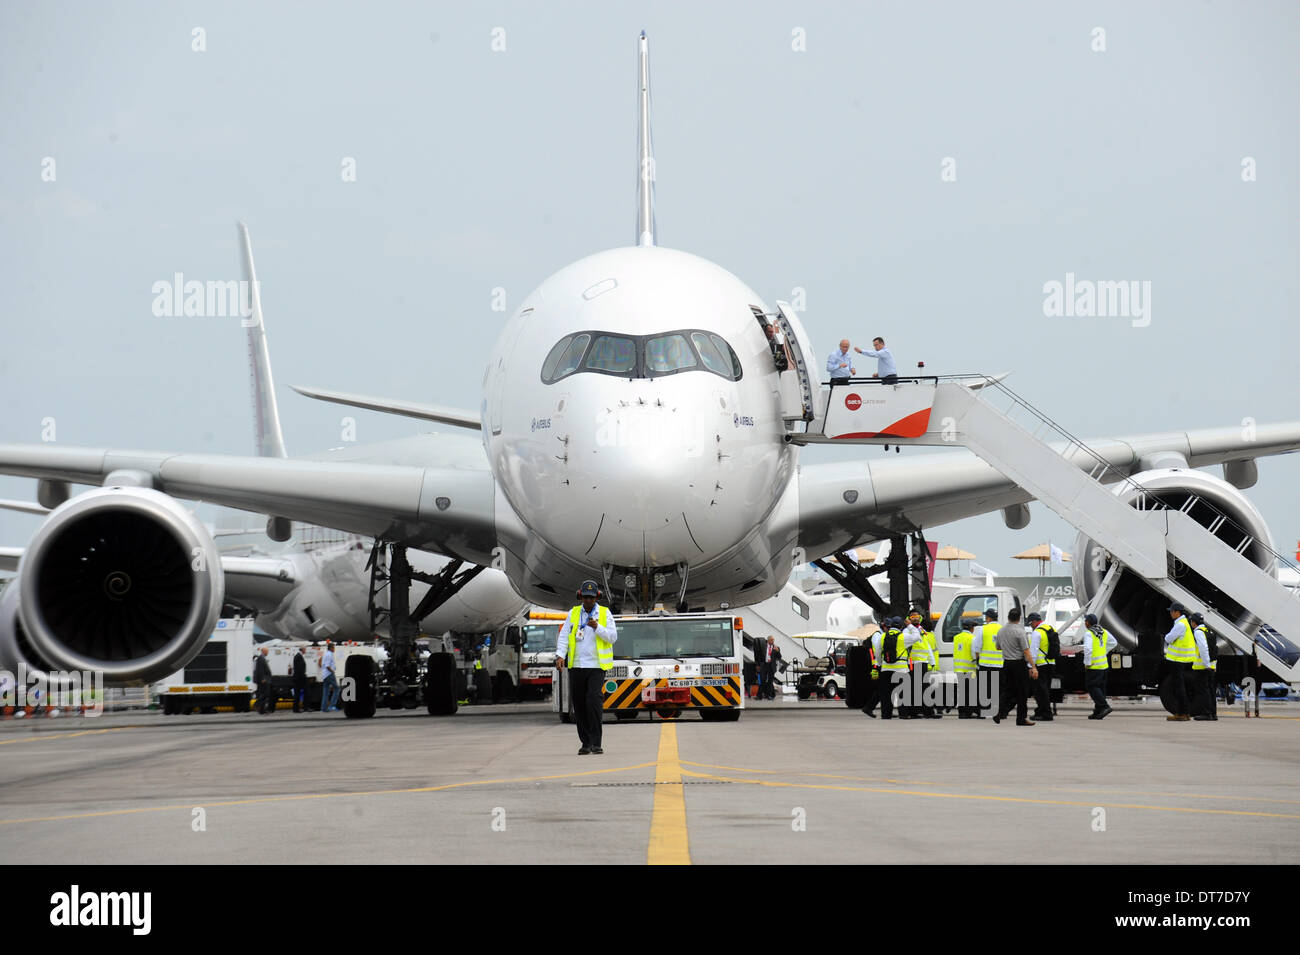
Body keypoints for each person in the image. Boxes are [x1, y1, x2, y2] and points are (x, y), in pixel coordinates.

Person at [555, 580, 619, 755]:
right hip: (576, 665)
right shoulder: (573, 613)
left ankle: (596, 742)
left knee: (593, 700)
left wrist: (597, 627)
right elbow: (564, 636)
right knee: (579, 704)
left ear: (596, 597)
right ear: (580, 596)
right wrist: (560, 655)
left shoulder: (605, 614)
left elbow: (613, 637)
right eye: (585, 597)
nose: (588, 601)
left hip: (596, 666)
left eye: (591, 597)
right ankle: (585, 742)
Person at [865, 617, 918, 719]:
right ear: (901, 626)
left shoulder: (883, 636)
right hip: (901, 670)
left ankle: (886, 714)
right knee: (902, 693)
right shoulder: (903, 637)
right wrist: (910, 625)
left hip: (886, 670)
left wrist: (881, 664)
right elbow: (916, 636)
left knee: (886, 694)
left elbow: (878, 652)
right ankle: (903, 714)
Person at [992, 608, 1036, 726]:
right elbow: (1026, 651)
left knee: (1007, 690)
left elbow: (998, 647)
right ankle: (1021, 718)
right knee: (1022, 692)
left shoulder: (1001, 631)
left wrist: (1008, 648)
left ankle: (999, 712)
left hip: (1006, 664)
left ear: (1008, 617)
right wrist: (1033, 667)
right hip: (1018, 664)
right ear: (1019, 618)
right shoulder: (1020, 632)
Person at [1162, 603, 1196, 721]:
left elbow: (1168, 638)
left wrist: (1167, 637)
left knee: (1179, 688)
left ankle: (1182, 713)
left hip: (1178, 661)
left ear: (1177, 612)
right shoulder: (1184, 623)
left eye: (1171, 611)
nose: (1170, 613)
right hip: (1182, 660)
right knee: (1179, 687)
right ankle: (1183, 712)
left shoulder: (1180, 625)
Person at [904, 609, 938, 718]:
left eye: (917, 616)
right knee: (916, 688)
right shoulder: (907, 631)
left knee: (925, 687)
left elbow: (926, 645)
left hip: (923, 662)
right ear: (909, 619)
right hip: (914, 662)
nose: (915, 618)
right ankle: (916, 712)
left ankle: (927, 712)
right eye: (912, 616)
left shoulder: (921, 629)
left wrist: (931, 660)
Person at [1082, 613, 1116, 719]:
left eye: (1085, 621)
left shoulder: (1089, 633)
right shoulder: (1103, 631)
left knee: (1091, 686)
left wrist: (1087, 663)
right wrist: (1103, 652)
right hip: (1103, 665)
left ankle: (1104, 706)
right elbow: (1114, 643)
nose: (1084, 623)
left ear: (1088, 622)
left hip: (1094, 666)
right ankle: (1098, 711)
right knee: (1100, 688)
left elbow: (1088, 649)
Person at [969, 609, 1003, 718]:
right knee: (998, 689)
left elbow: (976, 647)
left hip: (985, 665)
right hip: (1000, 665)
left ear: (988, 618)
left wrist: (978, 659)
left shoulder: (984, 629)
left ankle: (984, 711)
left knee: (984, 689)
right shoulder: (1002, 629)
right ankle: (998, 712)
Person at [1027, 612, 1056, 721]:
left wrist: (1031, 666)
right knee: (1045, 690)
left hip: (1040, 665)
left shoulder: (1037, 633)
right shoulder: (1050, 628)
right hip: (1051, 664)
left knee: (1040, 691)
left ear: (1034, 621)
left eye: (1030, 624)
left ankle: (1046, 714)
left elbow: (1033, 651)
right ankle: (1041, 711)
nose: (1030, 626)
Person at [1191, 613, 1218, 721]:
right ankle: (1213, 713)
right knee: (1211, 690)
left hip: (1203, 667)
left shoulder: (1198, 632)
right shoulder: (1208, 631)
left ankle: (1206, 713)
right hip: (1211, 666)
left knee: (1203, 691)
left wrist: (1206, 664)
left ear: (1194, 622)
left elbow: (1203, 648)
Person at [953, 619, 980, 718]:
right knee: (970, 691)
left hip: (959, 669)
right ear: (971, 628)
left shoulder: (956, 638)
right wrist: (977, 662)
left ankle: (962, 712)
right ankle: (968, 712)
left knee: (962, 691)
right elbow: (974, 653)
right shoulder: (972, 638)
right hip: (969, 669)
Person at [760, 636, 782, 700]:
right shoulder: (764, 646)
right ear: (768, 640)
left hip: (771, 666)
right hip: (764, 665)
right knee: (763, 679)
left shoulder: (776, 647)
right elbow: (760, 655)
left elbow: (779, 657)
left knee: (770, 680)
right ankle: (762, 694)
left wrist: (778, 651)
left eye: (773, 640)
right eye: (771, 640)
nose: (773, 641)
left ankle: (769, 695)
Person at [319, 641, 339, 712]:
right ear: (331, 648)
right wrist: (332, 671)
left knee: (326, 691)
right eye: (334, 648)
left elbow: (322, 663)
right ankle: (332, 705)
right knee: (337, 688)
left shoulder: (326, 654)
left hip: (324, 675)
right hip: (329, 674)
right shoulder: (329, 654)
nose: (334, 649)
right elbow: (327, 665)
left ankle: (323, 708)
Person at [254, 647, 274, 715]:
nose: (267, 653)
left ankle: (262, 709)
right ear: (263, 651)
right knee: (265, 694)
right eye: (267, 651)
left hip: (266, 679)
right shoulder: (260, 658)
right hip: (264, 680)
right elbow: (260, 670)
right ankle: (257, 704)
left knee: (265, 694)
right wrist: (262, 678)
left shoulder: (262, 658)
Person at [291, 646, 308, 712]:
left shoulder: (298, 656)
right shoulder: (298, 657)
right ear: (303, 650)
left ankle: (297, 708)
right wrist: (303, 676)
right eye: (305, 649)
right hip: (299, 678)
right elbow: (300, 668)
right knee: (298, 693)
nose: (305, 651)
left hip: (298, 677)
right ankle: (298, 708)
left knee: (297, 693)